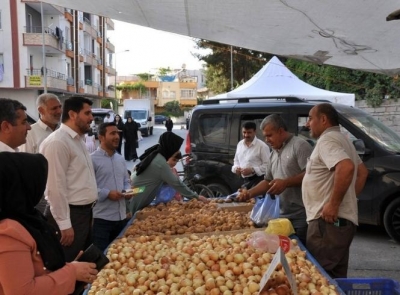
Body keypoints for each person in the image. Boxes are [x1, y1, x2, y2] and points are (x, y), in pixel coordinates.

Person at [0, 152, 98, 295]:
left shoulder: (30, 218)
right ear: (23, 185)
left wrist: (69, 268)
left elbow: (40, 266)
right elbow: (21, 291)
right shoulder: (8, 233)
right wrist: (71, 273)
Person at [302, 103, 368, 278]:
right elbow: (362, 173)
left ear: (323, 119)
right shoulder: (343, 139)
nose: (307, 124)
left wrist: (334, 204)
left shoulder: (327, 140)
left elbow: (346, 167)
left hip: (327, 223)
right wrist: (347, 200)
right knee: (335, 280)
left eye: (310, 118)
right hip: (336, 224)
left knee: (320, 278)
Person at [237, 114, 313, 244]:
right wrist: (249, 193)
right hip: (282, 215)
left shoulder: (300, 146)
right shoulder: (274, 153)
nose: (266, 140)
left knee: (300, 253)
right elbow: (267, 181)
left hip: (301, 215)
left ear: (281, 131)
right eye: (265, 136)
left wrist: (286, 183)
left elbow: (311, 174)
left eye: (269, 135)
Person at [40, 96, 98, 262]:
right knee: (67, 267)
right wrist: (64, 224)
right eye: (87, 113)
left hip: (82, 214)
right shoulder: (58, 142)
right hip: (68, 216)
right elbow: (54, 187)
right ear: (73, 114)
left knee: (83, 266)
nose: (91, 118)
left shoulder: (78, 140)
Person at [130, 132, 208, 214]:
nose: (178, 151)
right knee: (130, 215)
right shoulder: (160, 163)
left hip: (137, 189)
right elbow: (176, 183)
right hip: (137, 192)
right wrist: (196, 197)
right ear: (170, 147)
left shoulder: (157, 155)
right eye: (176, 148)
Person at [91, 123, 132, 251]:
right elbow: (88, 188)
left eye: (118, 133)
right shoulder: (91, 159)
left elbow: (126, 181)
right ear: (101, 137)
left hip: (121, 217)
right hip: (101, 220)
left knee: (119, 257)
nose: (117, 137)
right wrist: (107, 193)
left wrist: (128, 191)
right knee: (101, 259)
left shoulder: (120, 159)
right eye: (112, 133)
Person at [19, 93, 62, 213]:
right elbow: (25, 167)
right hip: (41, 196)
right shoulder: (30, 133)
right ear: (41, 110)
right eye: (54, 108)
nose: (59, 111)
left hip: (64, 193)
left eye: (60, 107)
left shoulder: (64, 132)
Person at [232, 121, 270, 189]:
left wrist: (252, 170)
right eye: (244, 132)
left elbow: (268, 166)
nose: (246, 135)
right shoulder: (240, 144)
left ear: (255, 132)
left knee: (254, 199)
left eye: (249, 132)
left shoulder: (262, 146)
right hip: (243, 180)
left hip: (258, 181)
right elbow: (236, 161)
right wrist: (236, 168)